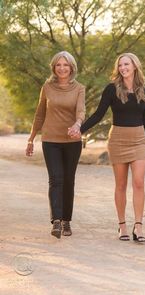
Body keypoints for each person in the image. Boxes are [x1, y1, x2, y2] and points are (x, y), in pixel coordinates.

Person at [79, 53, 145, 243]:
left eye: (126, 64)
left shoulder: (144, 89)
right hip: (118, 139)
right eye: (120, 65)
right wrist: (80, 129)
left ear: (134, 66)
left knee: (139, 182)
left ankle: (139, 226)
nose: (123, 68)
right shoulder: (111, 89)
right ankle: (122, 226)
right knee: (120, 185)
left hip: (139, 139)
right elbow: (99, 113)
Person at [25, 51, 85, 239]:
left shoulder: (79, 88)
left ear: (71, 67)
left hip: (72, 141)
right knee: (55, 179)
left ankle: (67, 219)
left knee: (68, 180)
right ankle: (56, 221)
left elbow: (81, 111)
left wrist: (77, 125)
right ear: (54, 67)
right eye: (58, 65)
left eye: (65, 65)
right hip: (50, 139)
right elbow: (40, 114)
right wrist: (31, 138)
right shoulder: (47, 87)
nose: (62, 68)